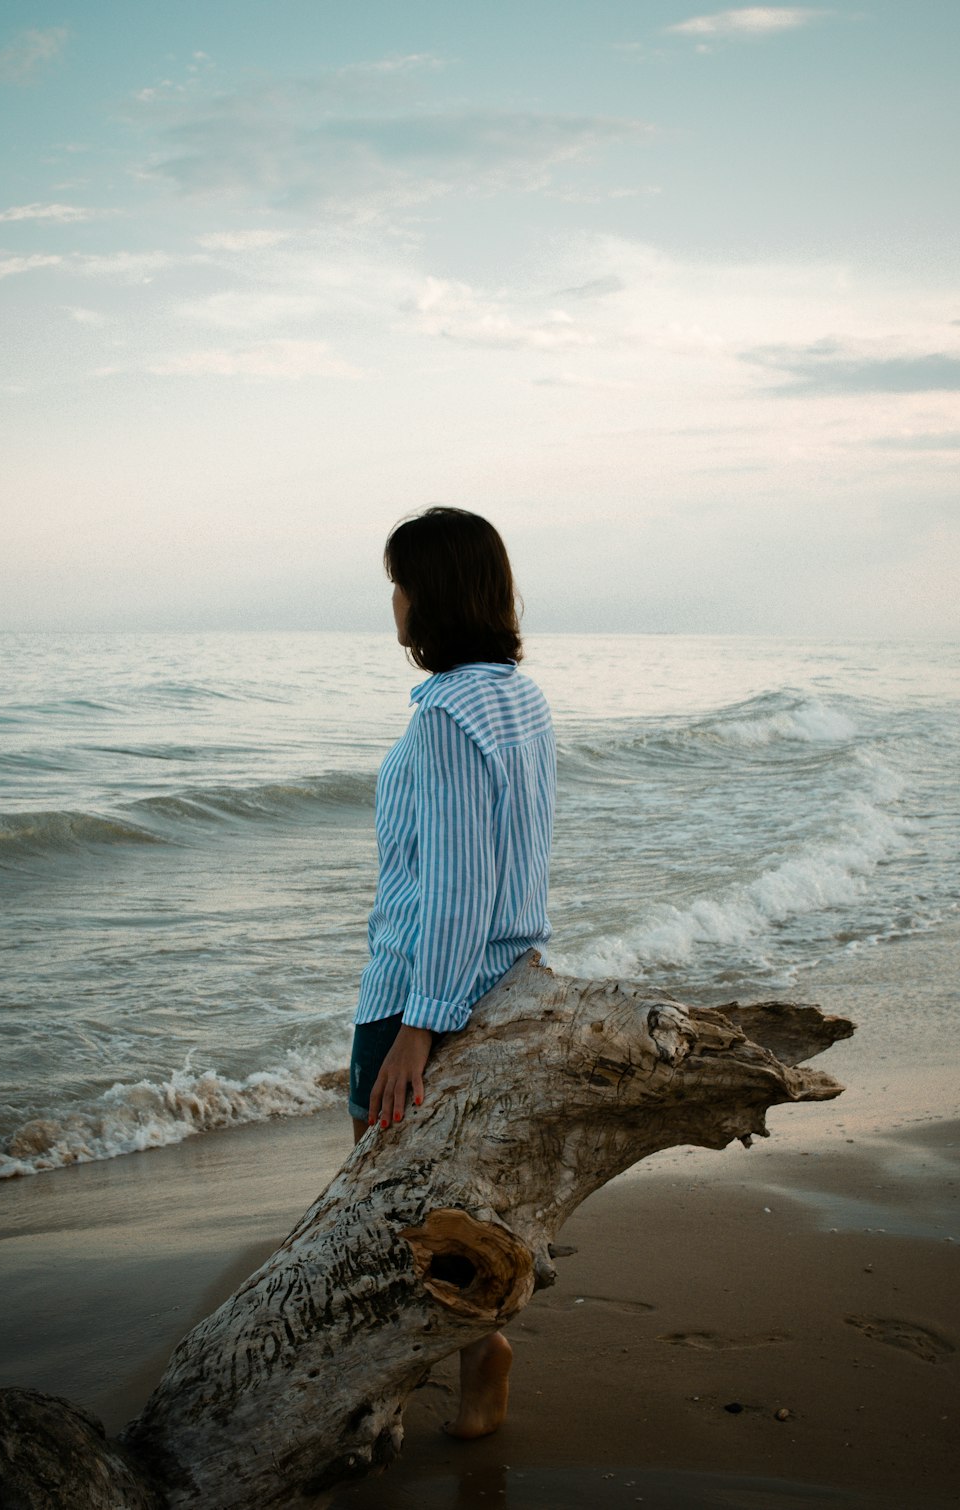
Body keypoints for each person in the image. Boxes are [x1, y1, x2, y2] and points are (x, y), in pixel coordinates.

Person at [348, 506, 556, 1438]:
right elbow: (520, 860)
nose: (391, 602)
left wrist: (416, 1027)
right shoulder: (521, 697)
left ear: (429, 596)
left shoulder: (443, 719)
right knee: (452, 1197)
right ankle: (477, 1359)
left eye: (399, 583)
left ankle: (385, 1385)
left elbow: (456, 886)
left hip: (418, 992)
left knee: (380, 1203)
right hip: (504, 983)